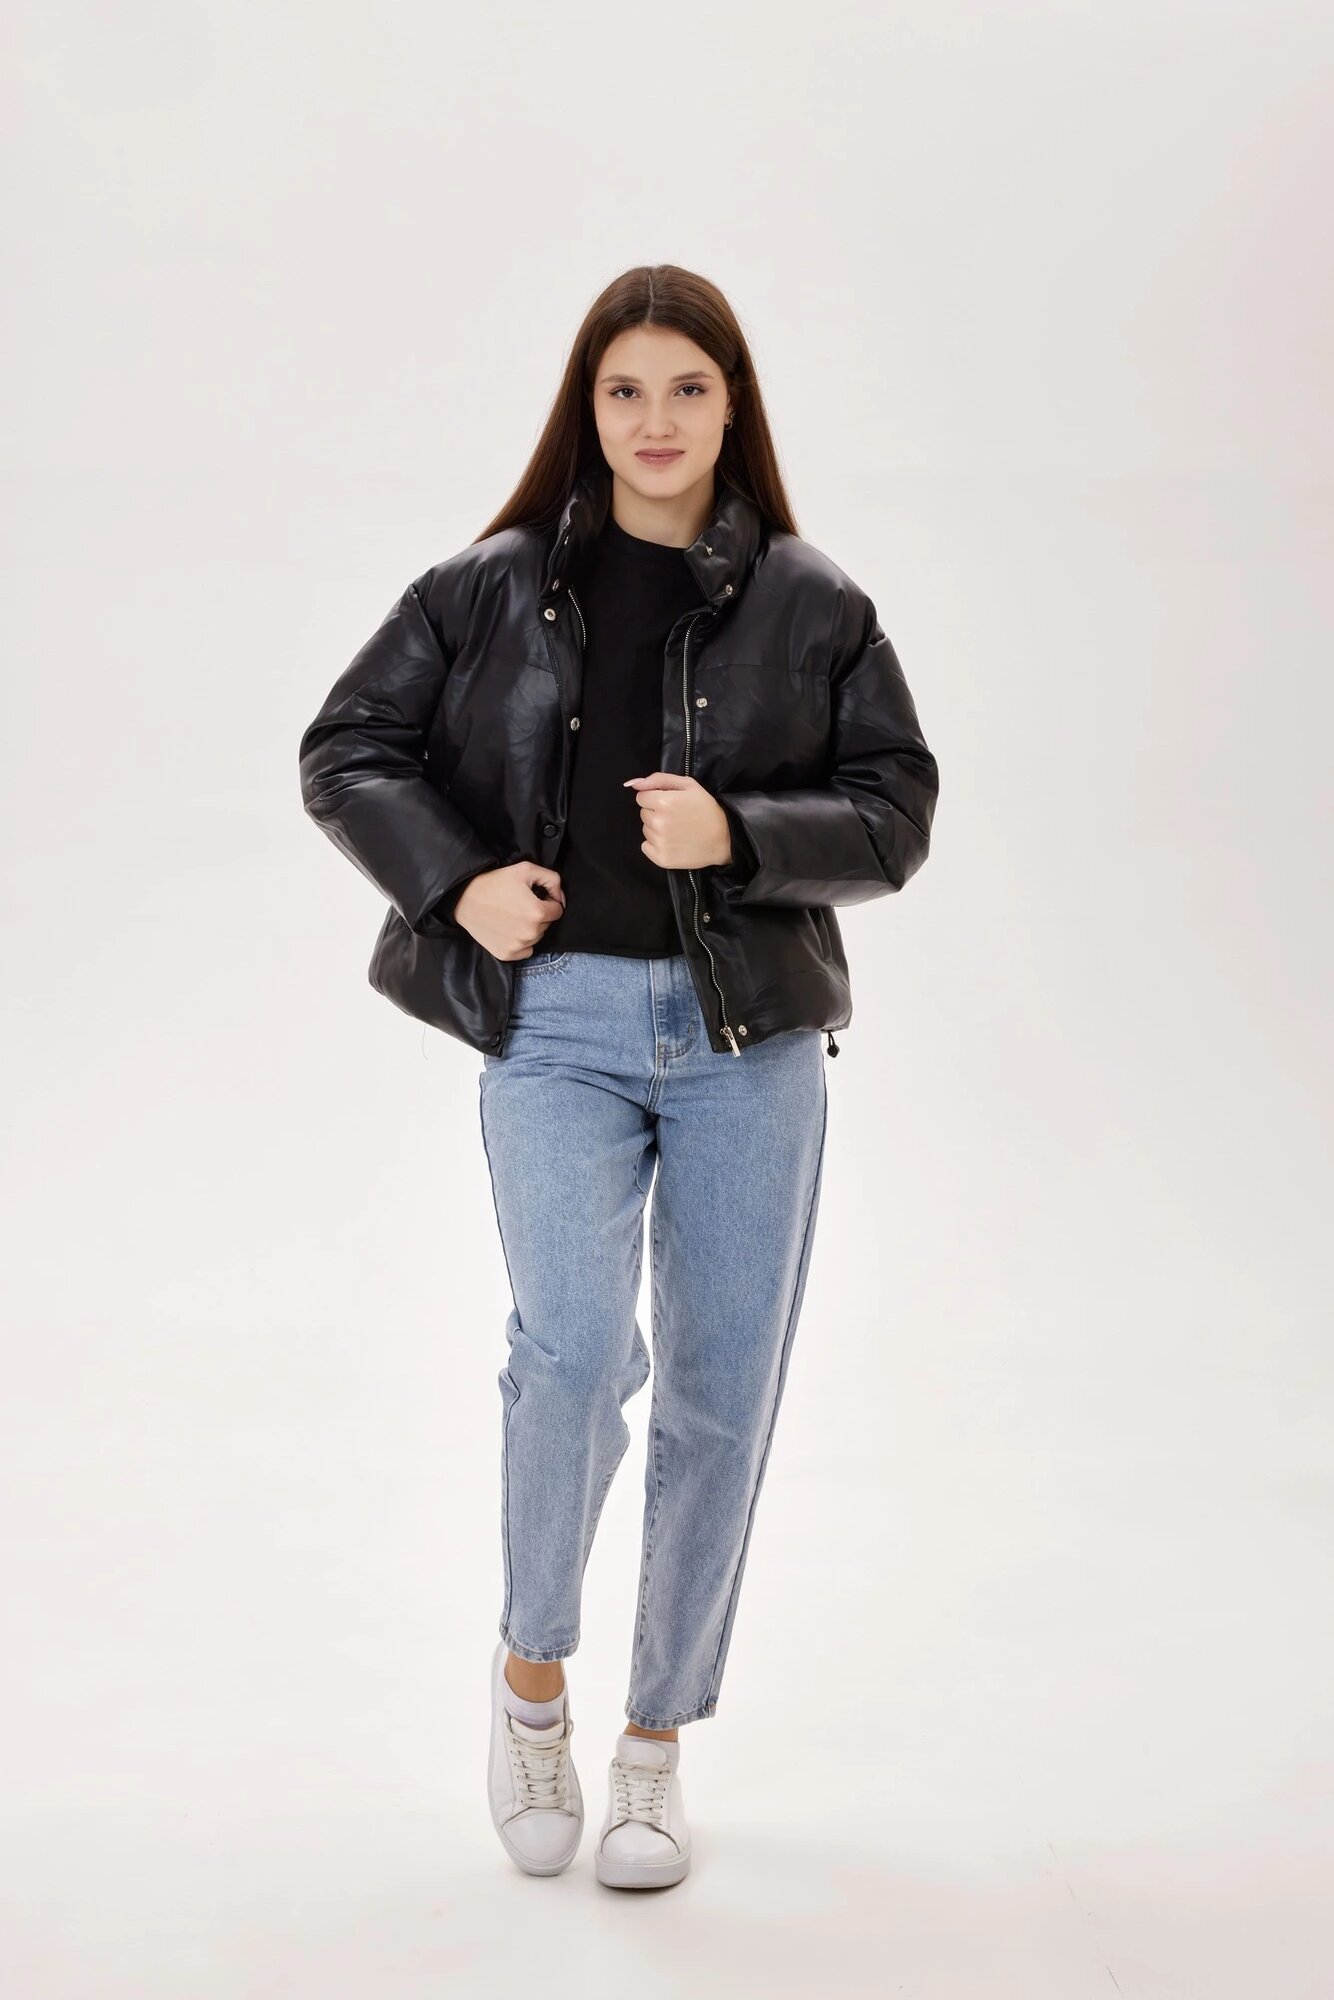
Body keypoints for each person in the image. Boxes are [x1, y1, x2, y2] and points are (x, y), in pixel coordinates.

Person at [298, 263, 940, 1890]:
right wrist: (457, 883)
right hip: (558, 1027)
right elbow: (345, 747)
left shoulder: (814, 601)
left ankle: (652, 1744)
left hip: (747, 1042)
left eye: (687, 390)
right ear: (585, 410)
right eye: (624, 390)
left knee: (720, 1394)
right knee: (573, 1356)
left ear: (734, 407)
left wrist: (740, 835)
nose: (656, 422)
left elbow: (895, 813)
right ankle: (532, 1685)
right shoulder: (489, 585)